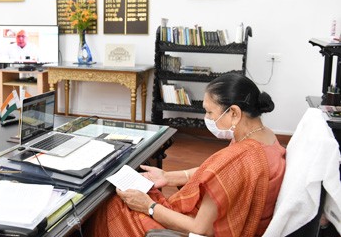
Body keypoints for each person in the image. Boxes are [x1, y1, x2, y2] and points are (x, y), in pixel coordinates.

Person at [87, 73, 286, 236]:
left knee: (112, 205)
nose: (207, 118)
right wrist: (167, 177)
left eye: (209, 113)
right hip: (225, 218)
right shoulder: (264, 137)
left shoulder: (239, 159)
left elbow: (201, 229)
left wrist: (149, 206)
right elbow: (214, 174)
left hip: (197, 229)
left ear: (234, 113)